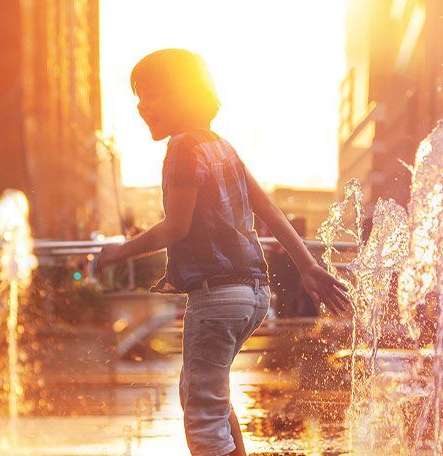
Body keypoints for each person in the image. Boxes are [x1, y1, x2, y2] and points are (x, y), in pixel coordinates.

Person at [93, 49, 350, 456]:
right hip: (252, 294)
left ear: (181, 95)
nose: (142, 106)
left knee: (201, 416)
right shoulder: (223, 147)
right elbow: (268, 209)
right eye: (138, 96)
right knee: (211, 394)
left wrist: (117, 253)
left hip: (216, 296)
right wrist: (308, 266)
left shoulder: (182, 149)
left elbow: (176, 226)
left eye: (152, 94)